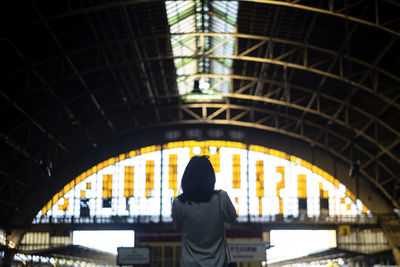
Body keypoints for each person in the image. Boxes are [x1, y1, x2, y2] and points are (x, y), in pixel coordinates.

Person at [171, 155, 238, 267]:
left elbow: (177, 226)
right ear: (211, 177)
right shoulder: (221, 197)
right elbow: (232, 218)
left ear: (187, 178)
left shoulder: (178, 203)